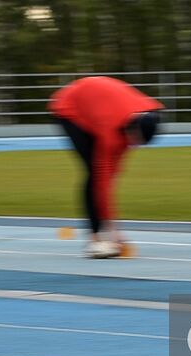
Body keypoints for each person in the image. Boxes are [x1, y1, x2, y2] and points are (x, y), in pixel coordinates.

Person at [48, 76, 163, 258]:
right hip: (70, 107)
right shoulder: (111, 131)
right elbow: (103, 181)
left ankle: (103, 233)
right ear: (130, 130)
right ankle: (94, 239)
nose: (133, 146)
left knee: (105, 175)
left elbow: (114, 172)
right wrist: (114, 231)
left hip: (98, 103)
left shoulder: (147, 114)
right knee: (94, 173)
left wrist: (114, 232)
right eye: (134, 141)